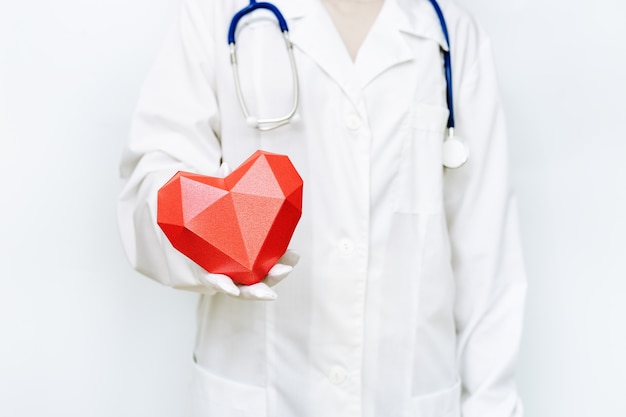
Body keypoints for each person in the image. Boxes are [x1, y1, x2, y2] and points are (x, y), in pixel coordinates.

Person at [117, 0, 527, 415]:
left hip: (409, 396)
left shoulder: (451, 35)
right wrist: (218, 232)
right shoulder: (217, 14)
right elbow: (150, 185)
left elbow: (487, 259)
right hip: (259, 394)